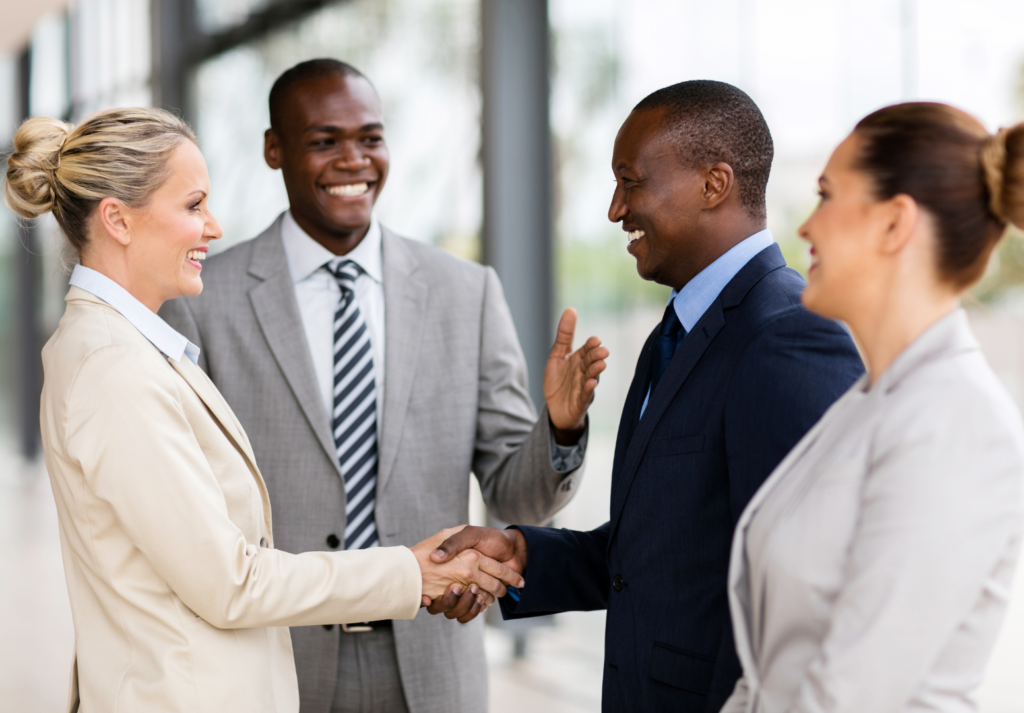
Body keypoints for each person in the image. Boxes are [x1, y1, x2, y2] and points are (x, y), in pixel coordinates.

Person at [9, 108, 521, 713]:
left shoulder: (126, 348)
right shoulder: (113, 367)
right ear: (117, 218)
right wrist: (411, 572)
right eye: (194, 205)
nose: (214, 227)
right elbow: (230, 583)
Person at [159, 59, 607, 713]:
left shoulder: (466, 292)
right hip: (275, 663)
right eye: (324, 141)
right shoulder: (202, 302)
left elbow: (519, 496)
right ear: (273, 149)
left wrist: (559, 429)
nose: (353, 160)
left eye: (370, 138)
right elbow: (193, 512)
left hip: (432, 663)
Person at [429, 80, 865, 711]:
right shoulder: (677, 330)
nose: (614, 210)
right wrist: (522, 552)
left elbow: (809, 591)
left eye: (630, 182)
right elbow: (665, 547)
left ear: (714, 184)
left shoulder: (789, 335)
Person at [719, 104, 1024, 712]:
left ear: (894, 224)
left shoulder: (955, 423)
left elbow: (848, 698)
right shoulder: (869, 402)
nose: (805, 228)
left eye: (827, 196)